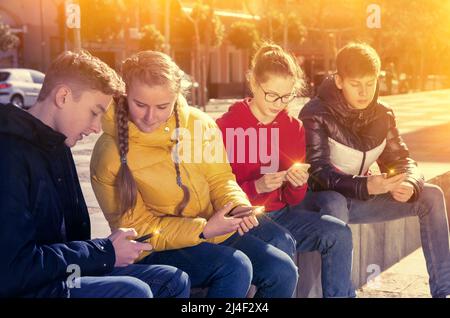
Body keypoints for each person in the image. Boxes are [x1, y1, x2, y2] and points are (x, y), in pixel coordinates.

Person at [90, 50, 299, 298]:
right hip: (156, 247)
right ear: (125, 94)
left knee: (283, 270)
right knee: (235, 267)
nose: (150, 116)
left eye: (162, 106)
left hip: (213, 231)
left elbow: (220, 179)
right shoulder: (109, 154)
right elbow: (137, 229)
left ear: (177, 96)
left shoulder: (200, 124)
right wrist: (203, 229)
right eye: (140, 104)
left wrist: (236, 206)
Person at [0, 50, 190, 298]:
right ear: (63, 96)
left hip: (64, 275)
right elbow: (12, 271)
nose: (96, 127)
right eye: (94, 112)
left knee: (173, 280)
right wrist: (104, 252)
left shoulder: (58, 146)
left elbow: (72, 242)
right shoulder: (9, 154)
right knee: (134, 291)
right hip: (30, 288)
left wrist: (108, 250)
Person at [299, 42, 450, 298]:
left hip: (360, 200)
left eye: (370, 83)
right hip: (320, 202)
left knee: (432, 195)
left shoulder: (383, 114)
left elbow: (402, 160)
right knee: (335, 201)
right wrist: (365, 185)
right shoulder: (315, 113)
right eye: (356, 84)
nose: (364, 92)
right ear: (339, 81)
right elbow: (317, 173)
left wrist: (409, 183)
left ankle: (444, 291)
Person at [216, 43, 355, 298]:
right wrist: (256, 186)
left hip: (283, 214)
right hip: (243, 219)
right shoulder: (225, 126)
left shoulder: (293, 127)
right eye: (272, 95)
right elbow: (214, 191)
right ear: (254, 84)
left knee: (339, 234)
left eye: (286, 96)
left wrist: (297, 182)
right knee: (281, 242)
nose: (279, 104)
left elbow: (294, 199)